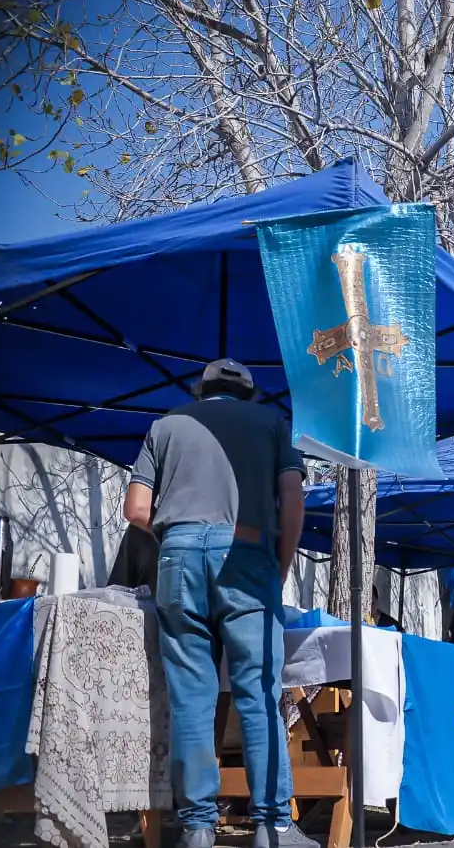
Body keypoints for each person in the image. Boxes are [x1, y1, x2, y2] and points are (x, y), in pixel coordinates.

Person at [122, 359, 316, 848]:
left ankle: (197, 827)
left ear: (199, 389)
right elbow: (292, 502)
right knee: (257, 690)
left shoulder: (165, 426)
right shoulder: (274, 423)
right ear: (249, 394)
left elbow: (136, 510)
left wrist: (181, 536)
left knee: (191, 697)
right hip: (247, 553)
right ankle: (271, 824)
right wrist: (282, 565)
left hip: (179, 558)